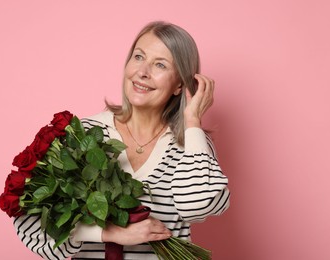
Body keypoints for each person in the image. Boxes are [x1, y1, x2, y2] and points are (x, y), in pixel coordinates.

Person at [14, 20, 230, 259]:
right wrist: (109, 233)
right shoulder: (83, 134)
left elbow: (196, 206)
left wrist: (192, 120)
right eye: (138, 57)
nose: (143, 72)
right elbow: (31, 226)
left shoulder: (192, 143)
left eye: (160, 64)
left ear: (179, 84)